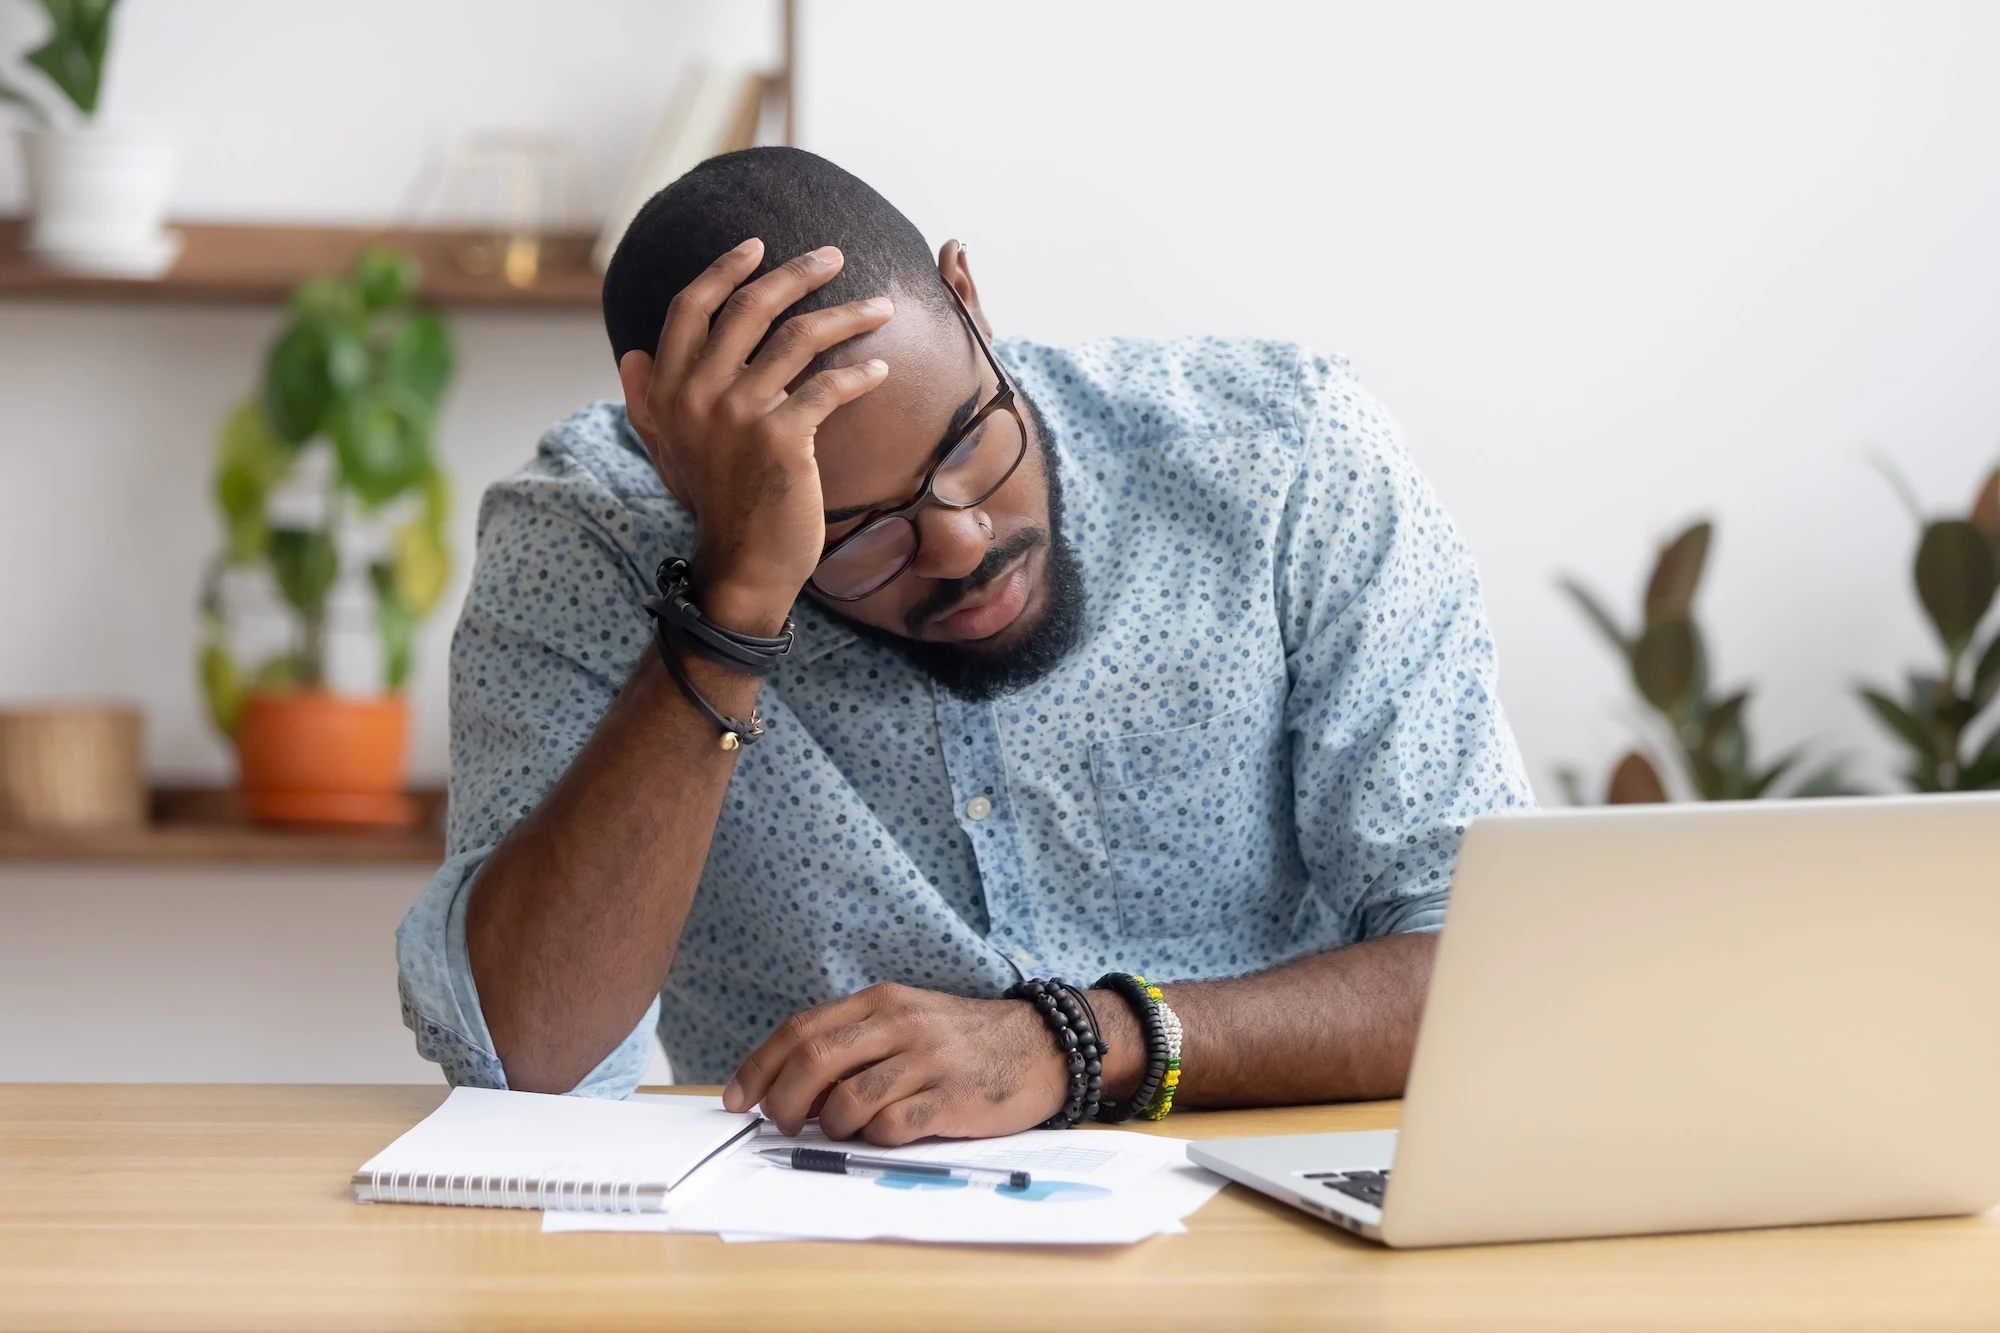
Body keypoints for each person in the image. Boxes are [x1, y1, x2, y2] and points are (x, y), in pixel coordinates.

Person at [396, 146, 1533, 1144]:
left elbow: (1494, 969)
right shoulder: (587, 536)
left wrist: (1076, 1043)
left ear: (969, 299)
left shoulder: (1284, 461)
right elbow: (527, 1058)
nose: (958, 541)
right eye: (850, 532)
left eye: (967, 441)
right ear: (670, 457)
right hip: (814, 1276)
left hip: (1267, 1248)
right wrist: (735, 594)